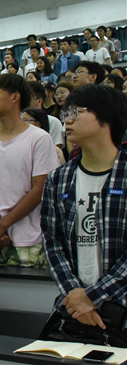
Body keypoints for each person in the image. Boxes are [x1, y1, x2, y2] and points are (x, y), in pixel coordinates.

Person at [41, 85, 127, 329]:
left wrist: (93, 296)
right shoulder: (58, 178)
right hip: (76, 308)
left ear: (105, 117)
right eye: (65, 113)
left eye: (76, 112)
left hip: (120, 304)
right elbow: (52, 241)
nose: (67, 120)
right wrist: (75, 293)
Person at [0, 74, 60, 268]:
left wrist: (2, 225)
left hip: (28, 237)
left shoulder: (39, 138)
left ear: (15, 97)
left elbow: (39, 189)